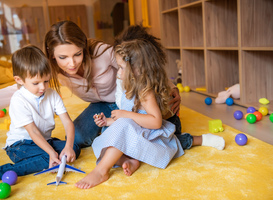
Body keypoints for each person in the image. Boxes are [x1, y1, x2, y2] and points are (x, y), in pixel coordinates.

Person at [0, 20, 181, 148]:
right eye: (63, 57)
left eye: (77, 54)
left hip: (130, 101)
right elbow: (21, 86)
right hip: (101, 106)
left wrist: (171, 87)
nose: (72, 63)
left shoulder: (102, 52)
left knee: (159, 127)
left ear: (84, 47)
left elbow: (139, 67)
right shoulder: (50, 68)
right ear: (52, 55)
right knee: (76, 139)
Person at [114, 25, 225, 151]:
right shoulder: (123, 78)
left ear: (139, 67)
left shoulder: (149, 83)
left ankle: (199, 139)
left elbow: (157, 120)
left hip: (164, 123)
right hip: (140, 122)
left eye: (122, 67)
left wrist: (173, 91)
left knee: (162, 146)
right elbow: (122, 103)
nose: (118, 72)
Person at [0, 45, 80, 178]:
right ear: (19, 80)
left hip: (44, 140)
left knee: (75, 149)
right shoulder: (18, 100)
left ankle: (47, 156)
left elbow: (67, 122)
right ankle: (4, 170)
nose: (43, 87)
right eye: (36, 83)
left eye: (46, 81)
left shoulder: (52, 94)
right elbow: (33, 131)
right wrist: (51, 153)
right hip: (20, 146)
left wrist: (69, 146)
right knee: (45, 158)